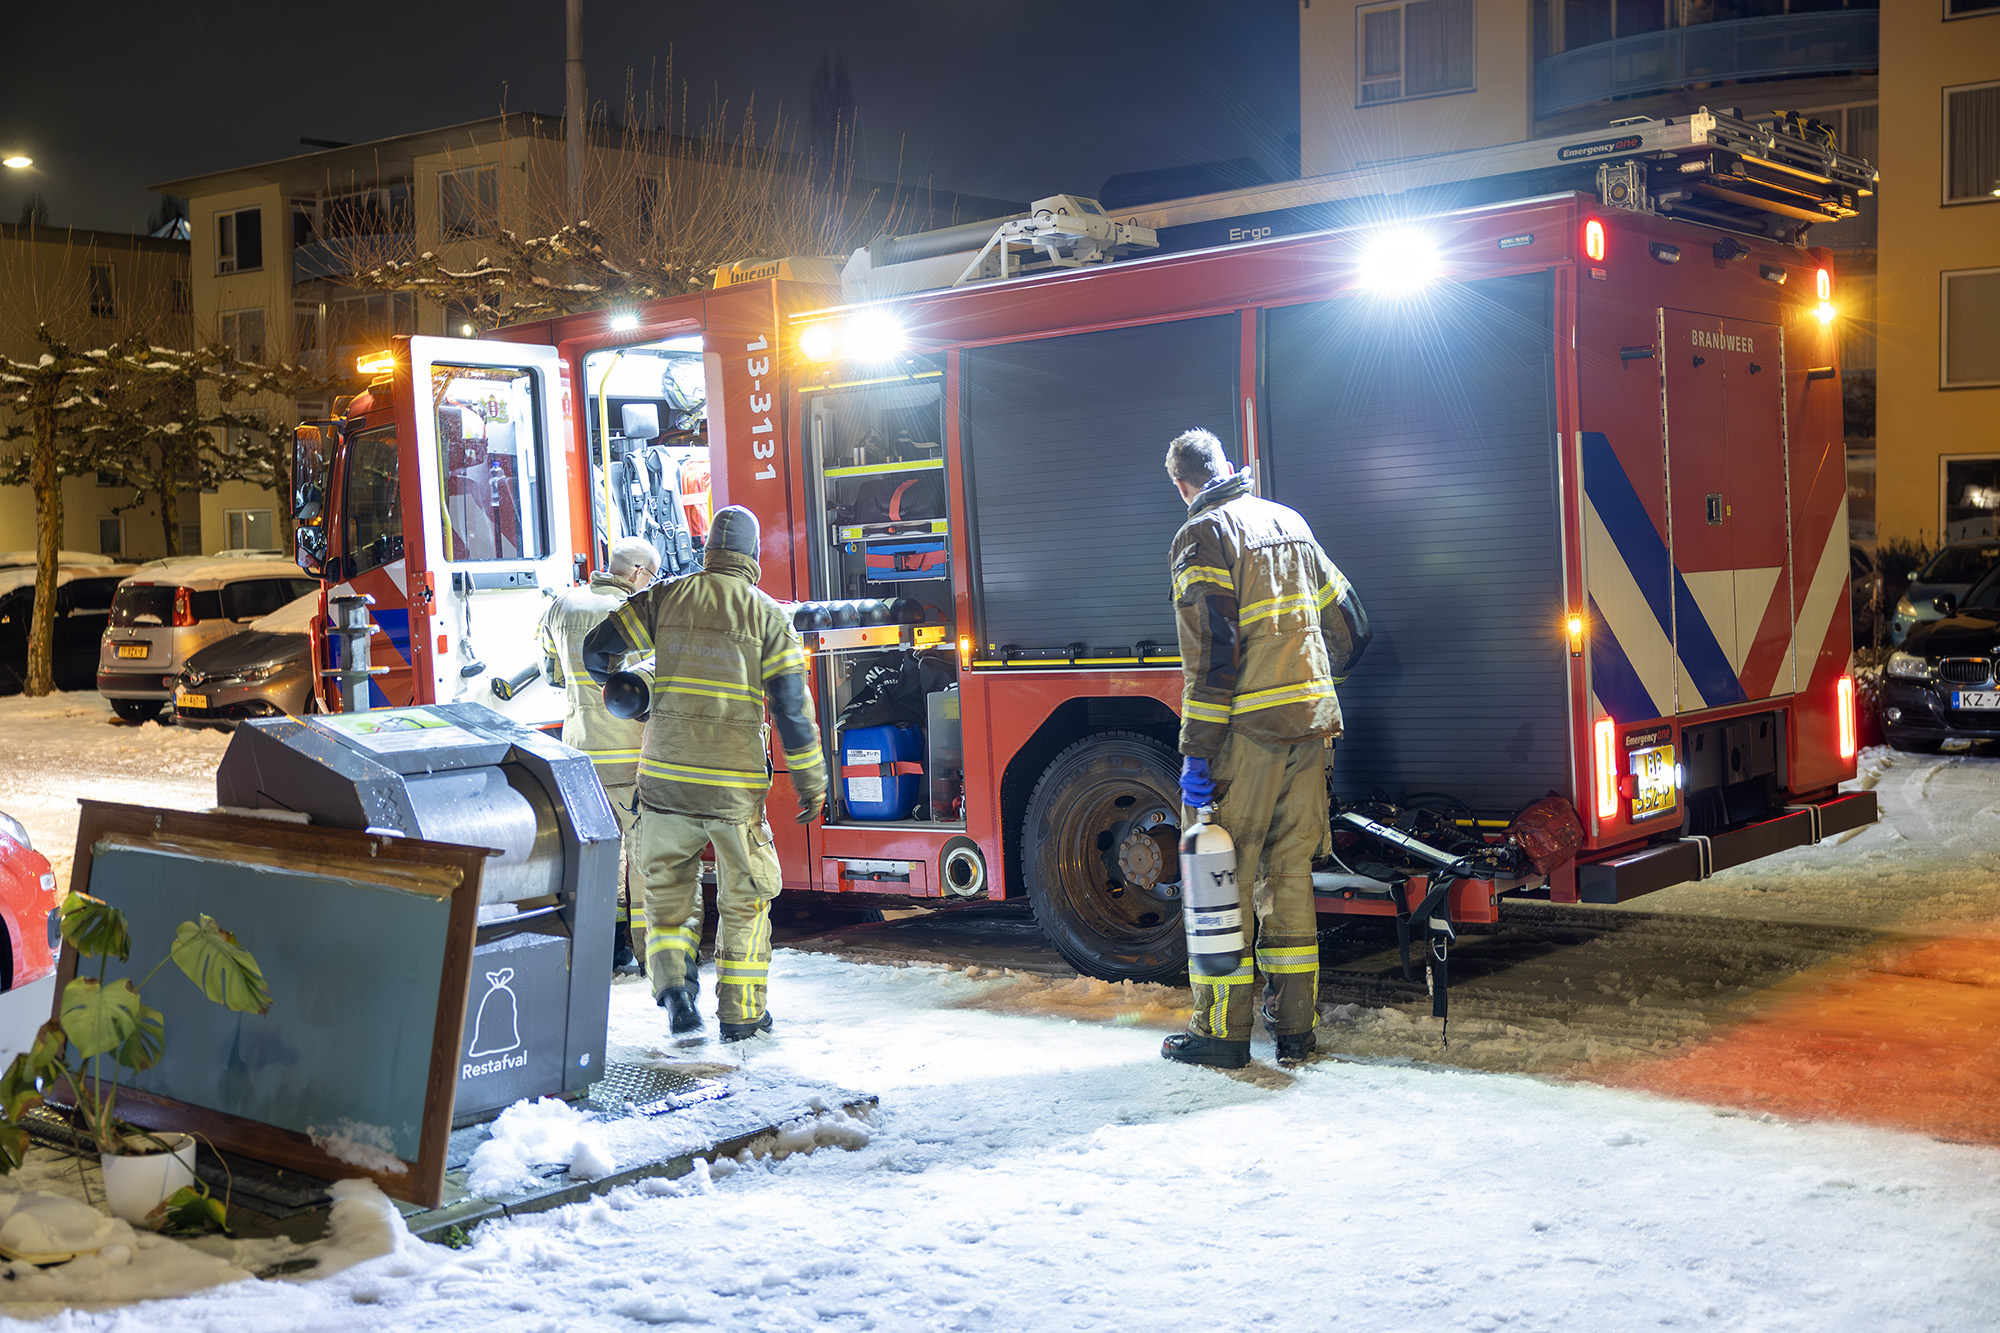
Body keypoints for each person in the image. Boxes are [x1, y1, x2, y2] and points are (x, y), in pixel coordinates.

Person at [1160, 428, 1370, 1071]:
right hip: (1311, 731)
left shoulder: (1202, 536)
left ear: (1182, 484)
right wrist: (1306, 683)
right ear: (1227, 465)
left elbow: (1213, 657)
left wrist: (1197, 751)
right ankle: (1296, 1034)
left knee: (1221, 877)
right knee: (1290, 877)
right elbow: (1353, 623)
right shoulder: (1289, 522)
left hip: (1243, 740)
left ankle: (1221, 1033)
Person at [582, 506, 828, 1041]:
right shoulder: (767, 616)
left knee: (668, 893)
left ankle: (674, 993)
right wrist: (811, 781)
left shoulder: (666, 596)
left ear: (709, 549)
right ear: (753, 556)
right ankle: (740, 1015)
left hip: (664, 782)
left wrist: (630, 693)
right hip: (731, 790)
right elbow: (791, 708)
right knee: (745, 898)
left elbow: (596, 649)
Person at [537, 535, 659, 976]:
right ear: (639, 573)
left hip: (579, 753)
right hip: (630, 755)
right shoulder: (636, 614)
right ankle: (652, 955)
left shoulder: (561, 605)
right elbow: (652, 684)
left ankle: (604, 952)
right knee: (644, 856)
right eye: (653, 575)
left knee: (599, 854)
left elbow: (550, 673)